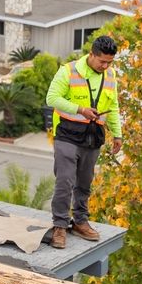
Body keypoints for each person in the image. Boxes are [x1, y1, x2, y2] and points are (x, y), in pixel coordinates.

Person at [46, 34, 122, 249]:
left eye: (110, 62)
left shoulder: (110, 75)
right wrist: (80, 110)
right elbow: (51, 99)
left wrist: (117, 134)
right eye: (102, 61)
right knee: (65, 182)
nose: (106, 65)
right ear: (91, 55)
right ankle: (60, 226)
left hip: (93, 138)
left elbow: (113, 106)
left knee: (84, 183)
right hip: (67, 135)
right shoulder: (68, 71)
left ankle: (80, 222)